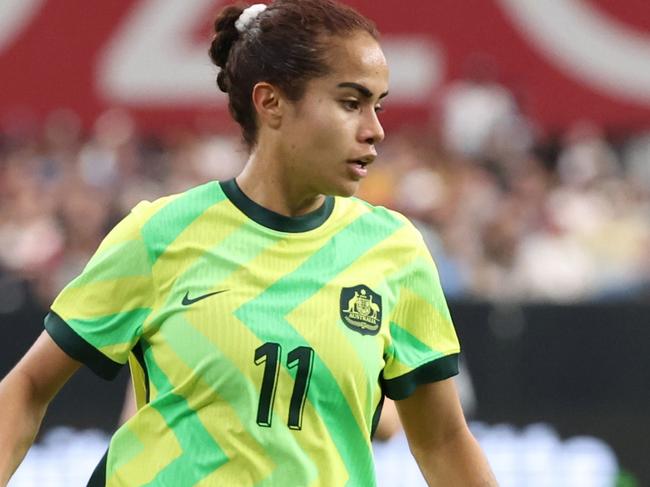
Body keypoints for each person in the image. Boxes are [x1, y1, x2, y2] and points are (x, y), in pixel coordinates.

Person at [0, 1, 497, 485]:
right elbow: (27, 387)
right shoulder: (160, 234)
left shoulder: (395, 252)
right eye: (351, 103)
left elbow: (442, 442)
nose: (376, 130)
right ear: (271, 102)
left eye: (378, 105)